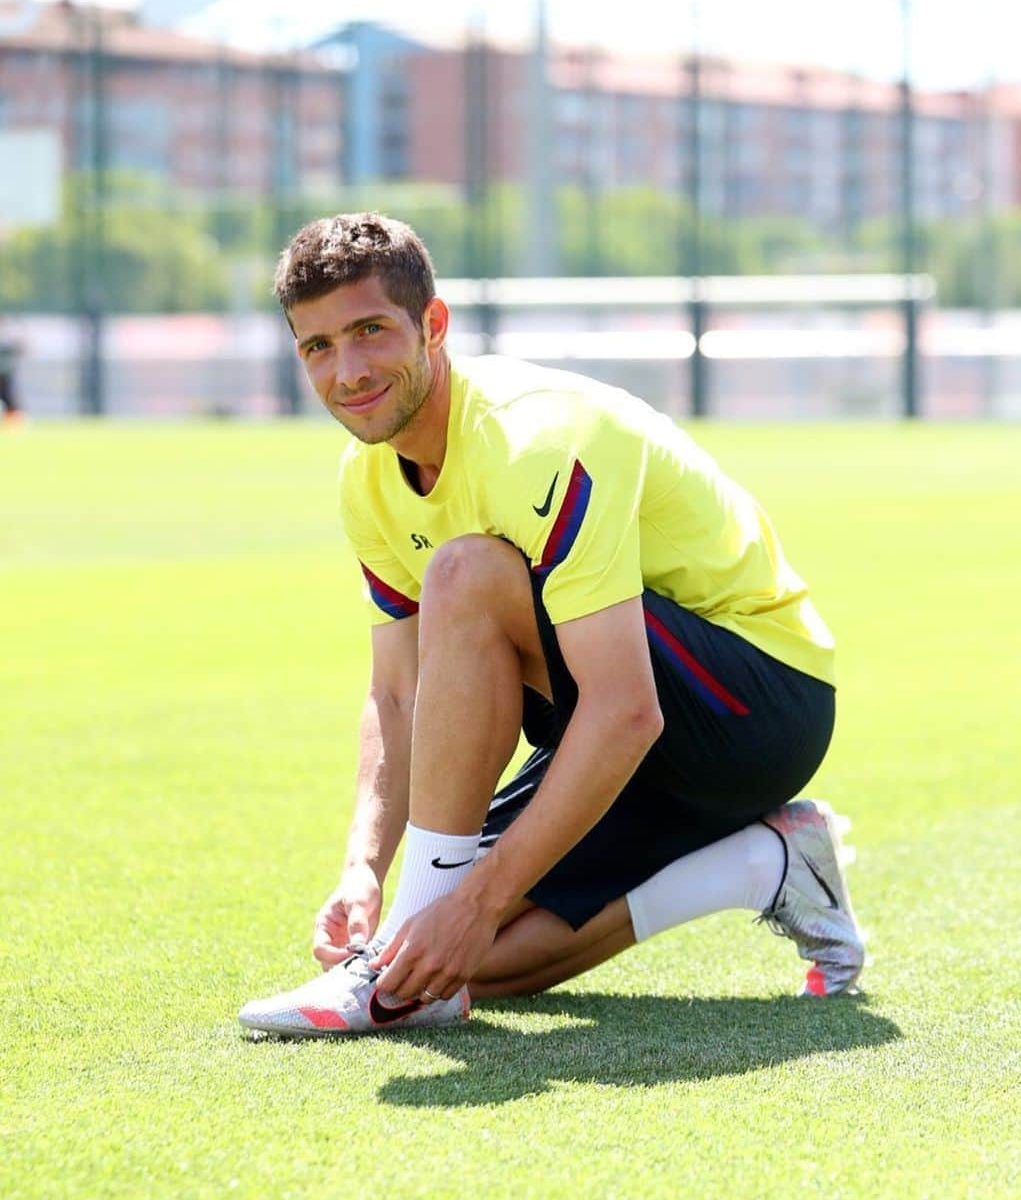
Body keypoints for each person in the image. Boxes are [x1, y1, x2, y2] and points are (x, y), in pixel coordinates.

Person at [239, 213, 863, 1039]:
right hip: (615, 722)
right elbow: (396, 694)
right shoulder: (366, 479)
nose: (347, 371)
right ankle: (772, 865)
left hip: (759, 704)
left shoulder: (532, 437)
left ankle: (422, 926)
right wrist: (364, 868)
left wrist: (472, 894)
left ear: (433, 325)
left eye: (369, 332)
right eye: (317, 346)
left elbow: (627, 707)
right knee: (439, 967)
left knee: (466, 572)